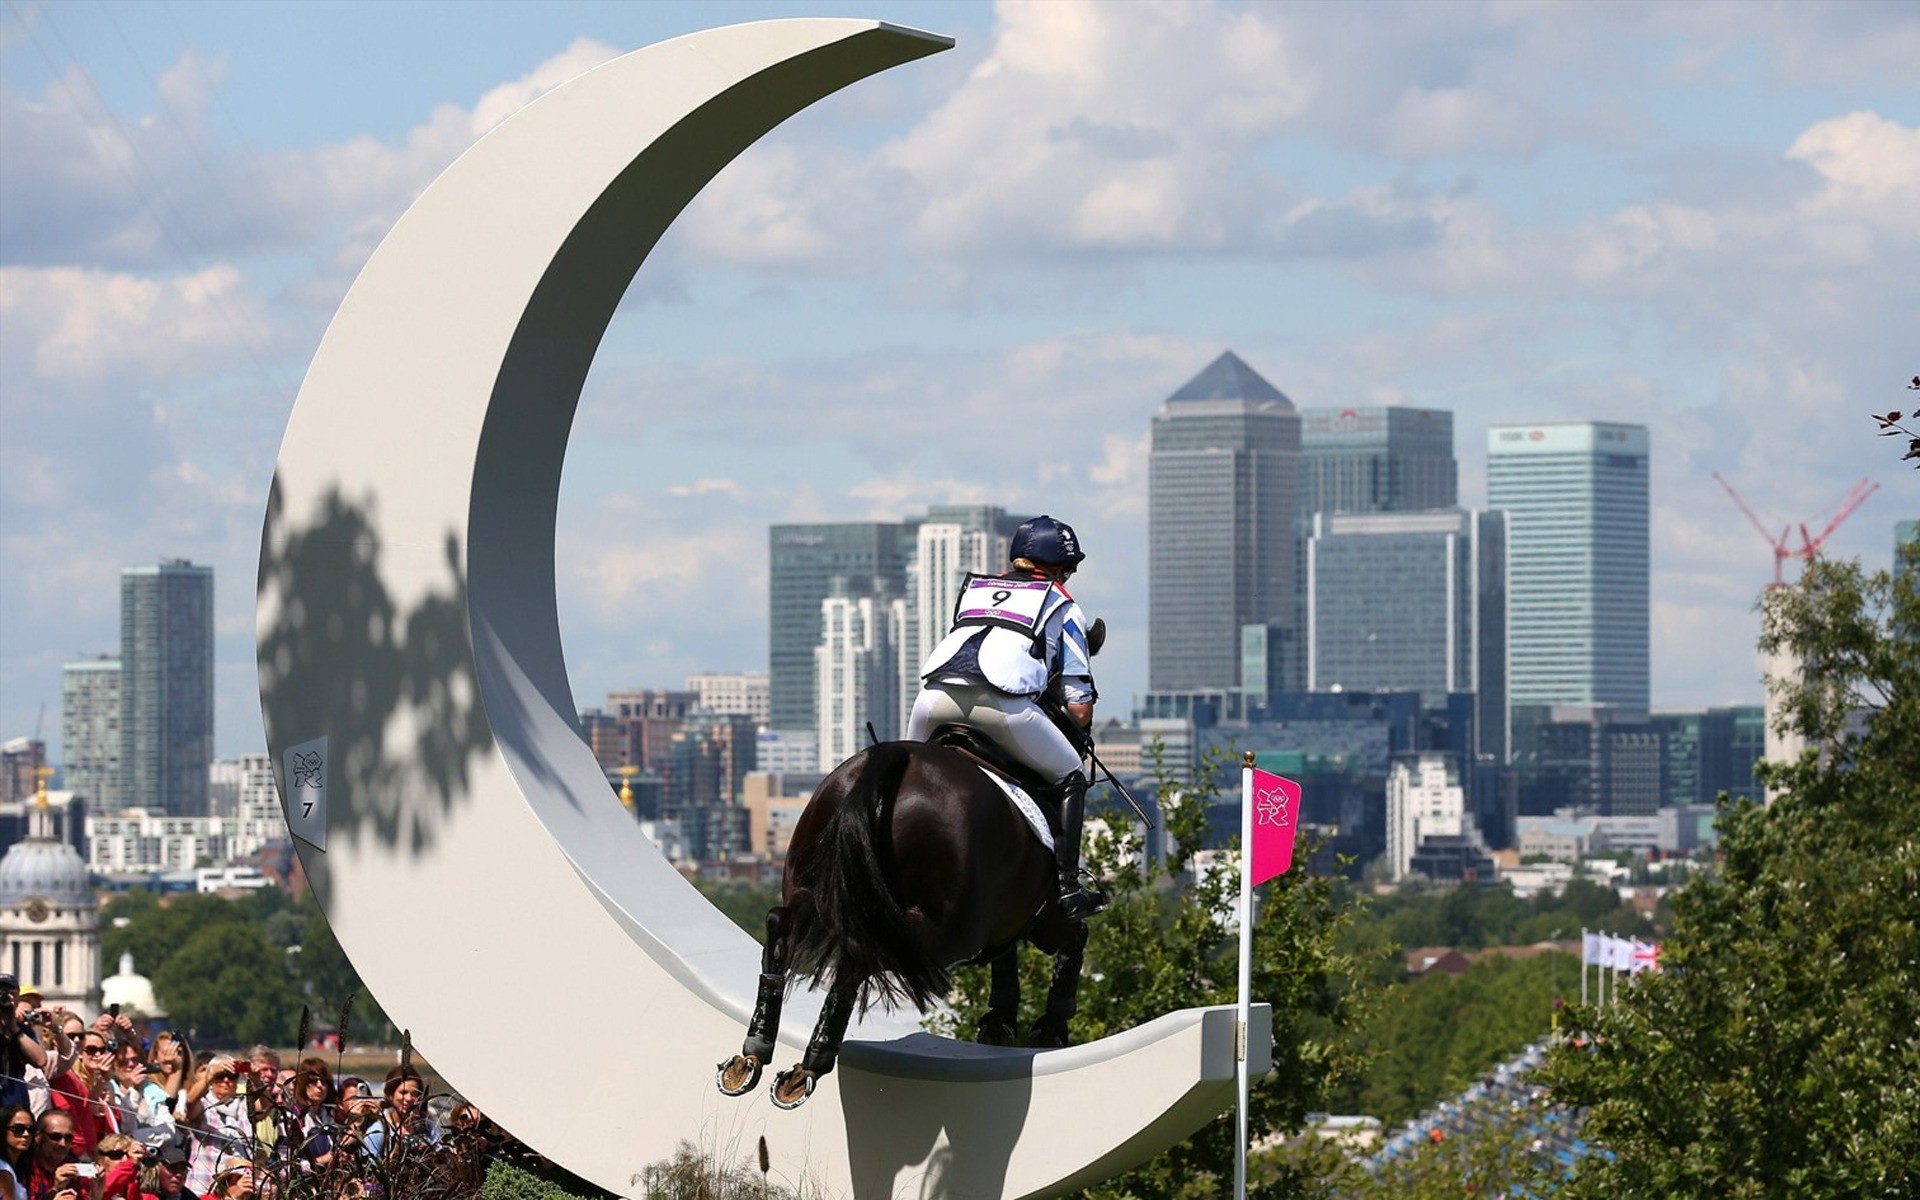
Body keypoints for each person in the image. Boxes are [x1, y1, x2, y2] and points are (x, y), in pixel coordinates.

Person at [906, 514, 1108, 919]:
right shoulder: (1063, 605)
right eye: (1067, 569)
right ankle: (1068, 886)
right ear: (1055, 567)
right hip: (1001, 708)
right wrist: (1076, 726)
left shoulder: (975, 592)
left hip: (931, 700)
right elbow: (1079, 706)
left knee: (904, 773)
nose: (1067, 577)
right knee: (1071, 775)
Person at [358, 1066, 437, 1160]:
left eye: (414, 1094)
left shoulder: (428, 1127)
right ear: (390, 1095)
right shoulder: (379, 1131)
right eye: (403, 1092)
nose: (408, 1098)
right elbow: (369, 1168)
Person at [23, 1109, 81, 1200]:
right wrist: (56, 1189)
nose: (63, 1144)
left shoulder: (71, 1164)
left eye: (68, 1138)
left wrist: (97, 1189)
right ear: (38, 1136)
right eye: (55, 1137)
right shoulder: (26, 1167)